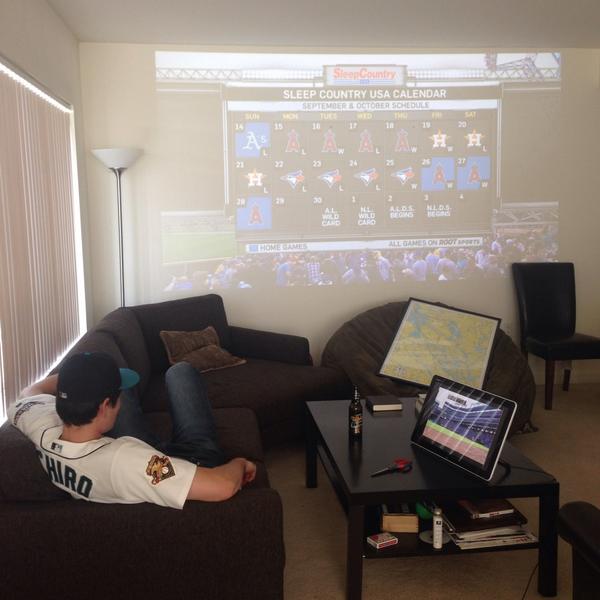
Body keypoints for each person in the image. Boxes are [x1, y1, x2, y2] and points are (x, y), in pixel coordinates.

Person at [8, 352, 256, 509]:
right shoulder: (128, 461)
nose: (119, 404)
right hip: (189, 463)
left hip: (144, 457)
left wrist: (79, 379)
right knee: (181, 371)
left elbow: (30, 392)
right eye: (116, 399)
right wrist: (240, 463)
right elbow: (222, 486)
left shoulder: (35, 422)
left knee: (176, 373)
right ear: (104, 406)